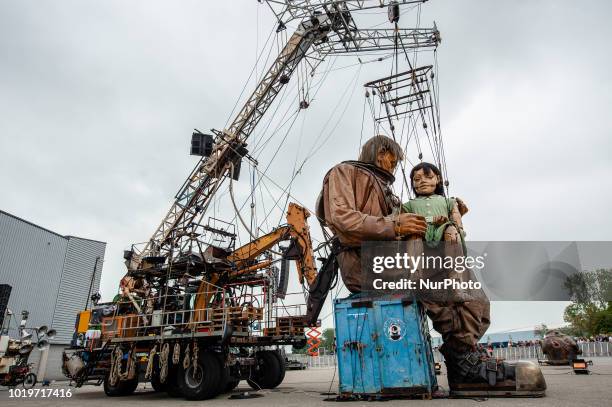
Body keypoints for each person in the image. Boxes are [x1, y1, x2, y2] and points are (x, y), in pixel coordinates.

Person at [316, 135, 546, 397]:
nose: (393, 166)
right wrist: (396, 226)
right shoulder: (345, 172)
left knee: (471, 291)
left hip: (395, 260)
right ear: (381, 152)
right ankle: (465, 365)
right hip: (366, 264)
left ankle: (464, 355)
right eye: (392, 160)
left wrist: (447, 221)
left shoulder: (386, 189)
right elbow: (341, 218)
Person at [403, 162, 467, 247]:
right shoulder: (409, 205)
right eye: (417, 179)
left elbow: (456, 217)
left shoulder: (448, 201)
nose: (423, 181)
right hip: (420, 230)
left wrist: (459, 228)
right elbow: (402, 220)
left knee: (452, 232)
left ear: (438, 179)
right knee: (414, 237)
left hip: (442, 230)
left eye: (429, 177)